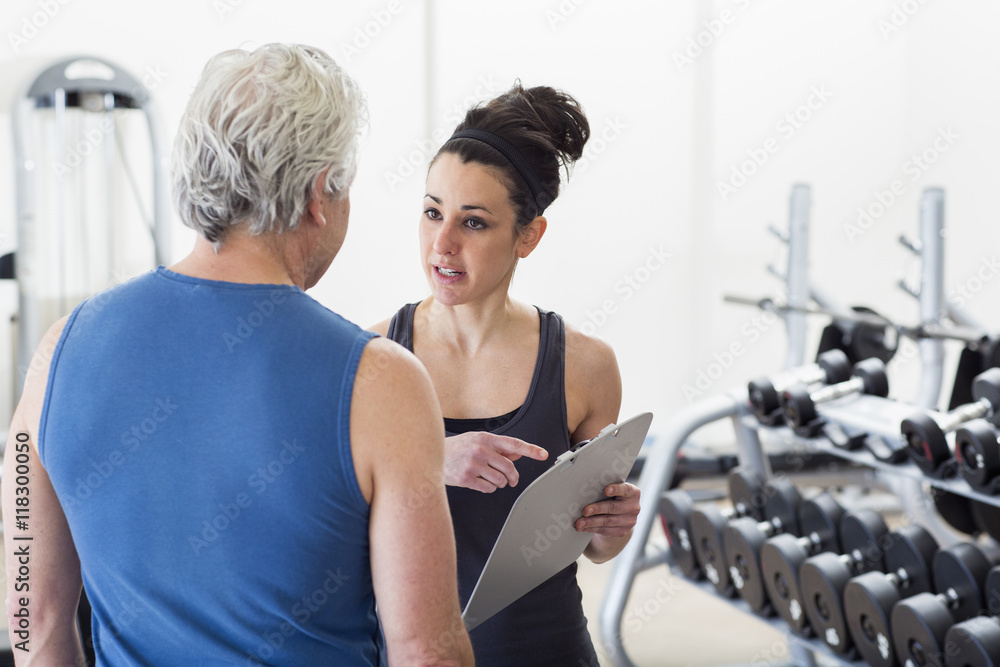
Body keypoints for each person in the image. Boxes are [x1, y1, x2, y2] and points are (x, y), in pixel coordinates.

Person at [2, 43, 473, 666]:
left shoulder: (55, 353)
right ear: (317, 195)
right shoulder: (382, 381)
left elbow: (33, 622)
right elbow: (428, 656)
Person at [370, 82, 641, 666]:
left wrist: (612, 522)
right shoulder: (370, 356)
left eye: (473, 224)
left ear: (528, 236)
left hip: (547, 651)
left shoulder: (586, 367)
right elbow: (326, 510)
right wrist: (428, 460)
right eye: (432, 212)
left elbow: (596, 548)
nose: (441, 244)